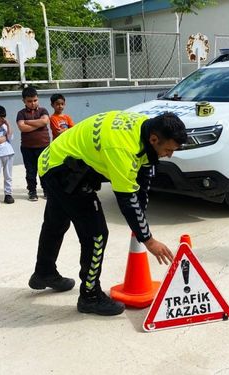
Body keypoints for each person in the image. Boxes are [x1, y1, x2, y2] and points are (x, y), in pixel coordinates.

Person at [29, 110, 187, 316]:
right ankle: (90, 296)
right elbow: (127, 199)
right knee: (96, 234)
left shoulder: (145, 125)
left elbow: (144, 178)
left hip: (54, 159)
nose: (169, 154)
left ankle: (44, 272)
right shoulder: (123, 148)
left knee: (56, 222)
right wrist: (148, 240)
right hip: (61, 170)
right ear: (154, 139)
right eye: (168, 149)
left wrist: (141, 223)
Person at [17, 87, 51, 201]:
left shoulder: (43, 111)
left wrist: (28, 122)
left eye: (35, 100)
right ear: (24, 101)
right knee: (31, 171)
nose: (33, 103)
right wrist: (38, 124)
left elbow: (45, 121)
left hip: (44, 146)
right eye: (29, 101)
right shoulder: (21, 113)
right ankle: (32, 191)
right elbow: (22, 127)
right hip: (27, 148)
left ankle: (47, 190)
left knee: (44, 169)